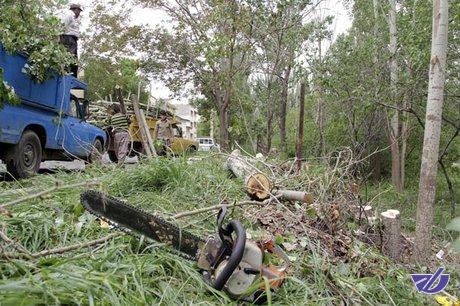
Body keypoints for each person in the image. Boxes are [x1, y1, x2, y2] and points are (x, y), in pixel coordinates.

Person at [59, 4, 82, 77]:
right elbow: (62, 26)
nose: (79, 13)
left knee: (74, 59)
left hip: (72, 40)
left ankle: (72, 76)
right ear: (75, 10)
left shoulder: (75, 18)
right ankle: (68, 75)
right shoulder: (69, 15)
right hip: (67, 39)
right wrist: (60, 38)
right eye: (79, 11)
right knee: (70, 57)